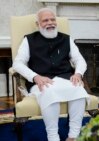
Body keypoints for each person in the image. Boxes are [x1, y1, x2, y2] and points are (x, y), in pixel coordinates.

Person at [13, 8, 89, 141]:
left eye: (53, 19)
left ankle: (73, 136)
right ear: (38, 24)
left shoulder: (66, 39)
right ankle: (53, 137)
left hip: (65, 77)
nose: (50, 23)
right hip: (41, 81)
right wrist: (35, 77)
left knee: (78, 88)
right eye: (45, 20)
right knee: (48, 91)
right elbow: (18, 64)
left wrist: (78, 74)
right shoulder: (29, 40)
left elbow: (80, 60)